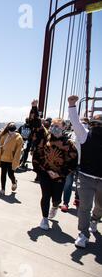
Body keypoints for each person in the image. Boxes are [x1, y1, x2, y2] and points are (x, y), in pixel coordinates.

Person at [29, 99, 78, 231]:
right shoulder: (45, 137)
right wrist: (34, 107)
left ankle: (55, 206)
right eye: (52, 125)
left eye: (57, 126)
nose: (54, 128)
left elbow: (73, 162)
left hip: (59, 176)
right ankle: (44, 218)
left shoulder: (69, 144)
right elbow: (36, 124)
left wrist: (60, 173)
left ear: (64, 128)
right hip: (45, 171)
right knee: (45, 195)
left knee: (56, 198)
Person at [68, 95, 102, 248]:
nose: (97, 126)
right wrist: (72, 105)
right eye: (94, 122)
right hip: (86, 177)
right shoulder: (85, 135)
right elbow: (75, 122)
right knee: (84, 207)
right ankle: (83, 234)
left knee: (100, 206)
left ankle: (94, 220)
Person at [0, 123, 23, 196]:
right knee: (3, 174)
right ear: (8, 130)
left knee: (10, 174)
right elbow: (0, 148)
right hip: (3, 158)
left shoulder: (19, 138)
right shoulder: (4, 136)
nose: (11, 132)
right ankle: (3, 189)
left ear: (15, 130)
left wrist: (16, 161)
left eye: (13, 131)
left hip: (12, 159)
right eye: (10, 131)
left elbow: (18, 151)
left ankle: (14, 182)